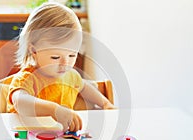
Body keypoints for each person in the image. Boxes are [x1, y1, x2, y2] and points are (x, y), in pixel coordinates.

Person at [7, 2, 114, 132]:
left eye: (72, 55)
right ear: (33, 51)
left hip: (61, 137)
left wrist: (105, 103)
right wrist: (54, 110)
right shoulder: (27, 79)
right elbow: (20, 102)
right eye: (55, 57)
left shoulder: (71, 75)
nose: (65, 63)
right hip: (28, 139)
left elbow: (84, 87)